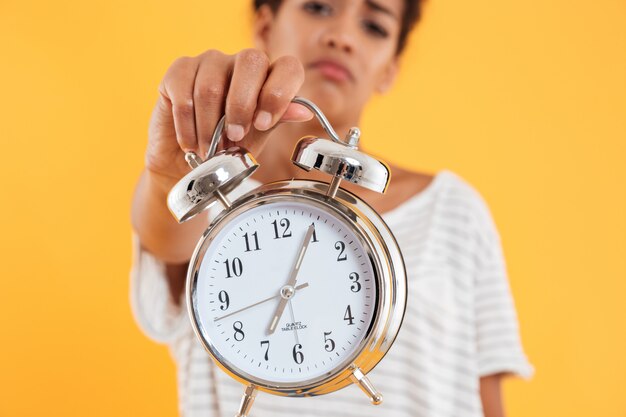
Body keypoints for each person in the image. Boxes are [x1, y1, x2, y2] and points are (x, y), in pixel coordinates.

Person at [130, 1, 534, 416]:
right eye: (319, 7)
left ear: (390, 68)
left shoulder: (454, 212)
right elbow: (166, 232)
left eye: (374, 26)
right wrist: (171, 172)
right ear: (266, 27)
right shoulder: (214, 200)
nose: (341, 36)